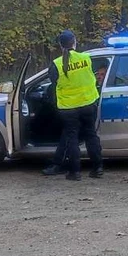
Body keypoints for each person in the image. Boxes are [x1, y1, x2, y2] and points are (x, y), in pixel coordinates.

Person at [41, 30, 103, 180]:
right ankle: (97, 168)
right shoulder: (87, 58)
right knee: (91, 135)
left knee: (72, 138)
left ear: (60, 46)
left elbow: (53, 85)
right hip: (88, 103)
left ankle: (75, 173)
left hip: (69, 108)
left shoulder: (57, 64)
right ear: (74, 42)